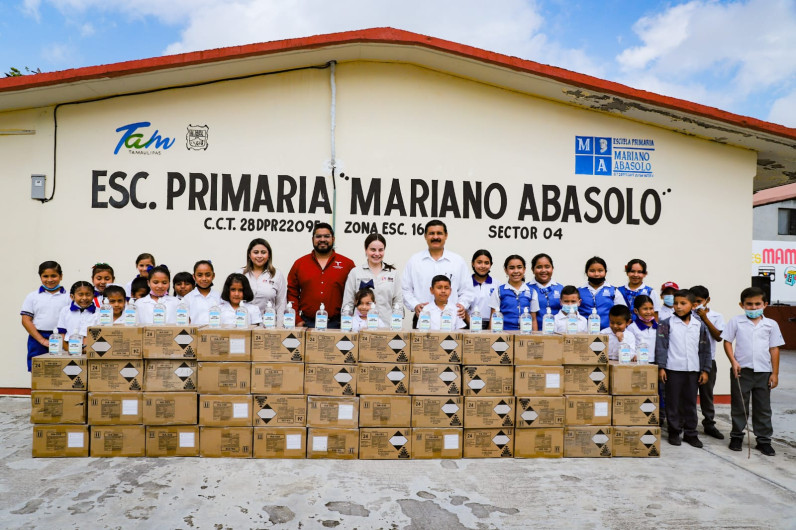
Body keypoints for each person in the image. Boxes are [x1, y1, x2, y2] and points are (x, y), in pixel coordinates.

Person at [722, 286, 784, 456]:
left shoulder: (771, 324)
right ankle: (736, 436)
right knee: (739, 406)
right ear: (742, 305)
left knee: (763, 408)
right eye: (749, 304)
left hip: (764, 372)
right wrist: (733, 361)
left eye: (758, 304)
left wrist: (775, 373)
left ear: (765, 304)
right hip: (741, 371)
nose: (754, 308)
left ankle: (763, 441)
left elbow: (774, 349)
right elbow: (727, 342)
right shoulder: (736, 321)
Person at [655, 289, 712, 448]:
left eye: (683, 303)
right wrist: (661, 368)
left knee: (690, 403)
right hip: (673, 370)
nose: (678, 307)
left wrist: (705, 370)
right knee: (673, 403)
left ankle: (690, 433)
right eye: (676, 303)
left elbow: (705, 349)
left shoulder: (699, 325)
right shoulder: (665, 324)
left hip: (693, 371)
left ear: (693, 305)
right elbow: (661, 347)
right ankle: (674, 431)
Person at [402, 219, 473, 325]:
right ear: (425, 236)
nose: (435, 237)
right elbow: (405, 289)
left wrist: (461, 306)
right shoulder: (414, 261)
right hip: (422, 317)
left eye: (439, 233)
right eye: (431, 233)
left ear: (446, 236)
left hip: (453, 318)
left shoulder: (458, 261)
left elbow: (467, 290)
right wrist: (415, 305)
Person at [287, 223, 354, 328]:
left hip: (338, 324)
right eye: (318, 236)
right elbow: (292, 293)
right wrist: (297, 320)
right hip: (307, 324)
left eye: (327, 236)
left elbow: (354, 294)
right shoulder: (300, 264)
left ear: (333, 239)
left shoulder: (347, 264)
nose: (322, 239)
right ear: (312, 239)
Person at [343, 233, 403, 328]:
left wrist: (396, 325)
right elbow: (348, 303)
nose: (377, 254)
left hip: (386, 328)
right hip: (360, 329)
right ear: (366, 250)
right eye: (373, 250)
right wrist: (346, 327)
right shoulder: (355, 273)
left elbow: (398, 302)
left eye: (381, 250)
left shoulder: (393, 274)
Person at [690, 285, 725, 440]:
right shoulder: (686, 315)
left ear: (707, 300)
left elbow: (718, 336)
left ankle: (709, 423)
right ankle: (688, 423)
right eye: (693, 302)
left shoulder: (717, 316)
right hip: (690, 360)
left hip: (708, 360)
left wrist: (705, 318)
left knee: (707, 394)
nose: (696, 305)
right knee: (689, 394)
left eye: (699, 301)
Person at [20, 260, 70, 370]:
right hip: (38, 338)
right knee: (38, 369)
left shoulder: (69, 297)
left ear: (61, 276)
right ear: (40, 277)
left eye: (54, 276)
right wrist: (41, 340)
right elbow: (26, 320)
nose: (50, 280)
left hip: (62, 337)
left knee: (61, 368)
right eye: (45, 276)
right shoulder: (32, 297)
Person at [239, 238, 287, 323]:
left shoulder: (277, 275)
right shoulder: (240, 273)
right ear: (249, 255)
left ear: (269, 255)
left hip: (268, 326)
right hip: (243, 325)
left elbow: (281, 305)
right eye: (256, 252)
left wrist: (280, 329)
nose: (260, 256)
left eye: (263, 252)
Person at [489, 255, 538, 330]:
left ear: (524, 269)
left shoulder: (532, 292)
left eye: (519, 267)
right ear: (506, 270)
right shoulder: (498, 291)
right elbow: (493, 318)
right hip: (504, 336)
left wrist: (535, 339)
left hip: (526, 335)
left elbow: (533, 319)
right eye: (511, 268)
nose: (516, 271)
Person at [578, 256, 624, 330]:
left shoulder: (614, 291)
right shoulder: (579, 291)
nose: (596, 274)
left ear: (605, 272)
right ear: (586, 272)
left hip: (609, 333)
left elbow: (622, 313)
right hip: (584, 333)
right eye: (592, 271)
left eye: (600, 271)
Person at [55, 281, 98, 350]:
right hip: (68, 348)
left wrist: (87, 350)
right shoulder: (65, 311)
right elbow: (61, 332)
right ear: (72, 297)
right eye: (80, 294)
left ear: (93, 296)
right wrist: (68, 349)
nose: (84, 298)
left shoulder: (98, 313)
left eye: (88, 294)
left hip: (91, 350)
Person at [527, 253, 564, 330]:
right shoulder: (526, 289)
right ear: (532, 270)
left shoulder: (561, 289)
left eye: (547, 267)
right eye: (539, 267)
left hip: (557, 334)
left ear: (552, 268)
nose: (543, 270)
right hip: (533, 334)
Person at [185, 260, 221, 326]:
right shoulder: (187, 298)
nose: (204, 278)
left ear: (213, 276)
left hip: (215, 334)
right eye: (200, 275)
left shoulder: (219, 297)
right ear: (194, 276)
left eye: (208, 275)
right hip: (195, 335)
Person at [468, 249, 495, 325]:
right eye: (479, 262)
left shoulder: (497, 284)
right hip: (469, 323)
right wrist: (470, 323)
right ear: (473, 263)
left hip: (491, 324)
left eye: (486, 263)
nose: (483, 266)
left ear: (491, 264)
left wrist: (491, 327)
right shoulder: (466, 283)